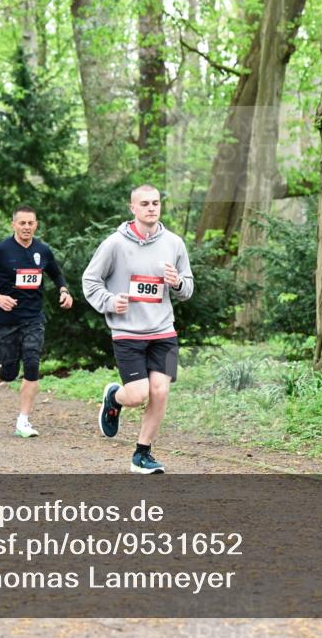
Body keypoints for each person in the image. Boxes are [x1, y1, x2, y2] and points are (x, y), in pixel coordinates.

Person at [82, 184, 194, 474]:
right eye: (144, 204)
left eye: (155, 203)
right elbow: (90, 280)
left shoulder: (174, 243)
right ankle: (114, 397)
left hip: (164, 332)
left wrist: (177, 283)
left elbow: (188, 288)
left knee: (161, 392)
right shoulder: (115, 244)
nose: (151, 208)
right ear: (133, 208)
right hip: (128, 333)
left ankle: (142, 454)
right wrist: (109, 301)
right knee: (137, 395)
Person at [0, 206, 73, 438]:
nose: (27, 227)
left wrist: (64, 290)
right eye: (22, 223)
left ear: (36, 225)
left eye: (31, 223)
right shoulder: (1, 250)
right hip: (6, 320)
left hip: (33, 318)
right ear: (14, 225)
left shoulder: (43, 250)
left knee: (32, 363)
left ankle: (23, 421)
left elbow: (56, 273)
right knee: (9, 371)